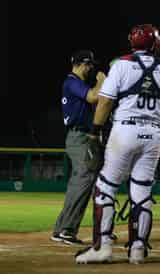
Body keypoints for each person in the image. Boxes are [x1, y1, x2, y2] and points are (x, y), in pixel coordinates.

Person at [75, 24, 160, 264]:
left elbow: (105, 102)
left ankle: (103, 248)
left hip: (125, 130)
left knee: (105, 187)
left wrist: (95, 132)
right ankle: (138, 249)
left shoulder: (121, 64)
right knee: (142, 191)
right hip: (153, 134)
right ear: (154, 43)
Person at [50, 50, 106, 245]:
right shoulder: (72, 81)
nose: (91, 68)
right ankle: (66, 229)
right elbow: (93, 97)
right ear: (83, 64)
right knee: (84, 179)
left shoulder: (76, 82)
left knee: (85, 182)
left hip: (82, 136)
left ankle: (63, 229)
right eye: (90, 65)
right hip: (79, 136)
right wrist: (102, 80)